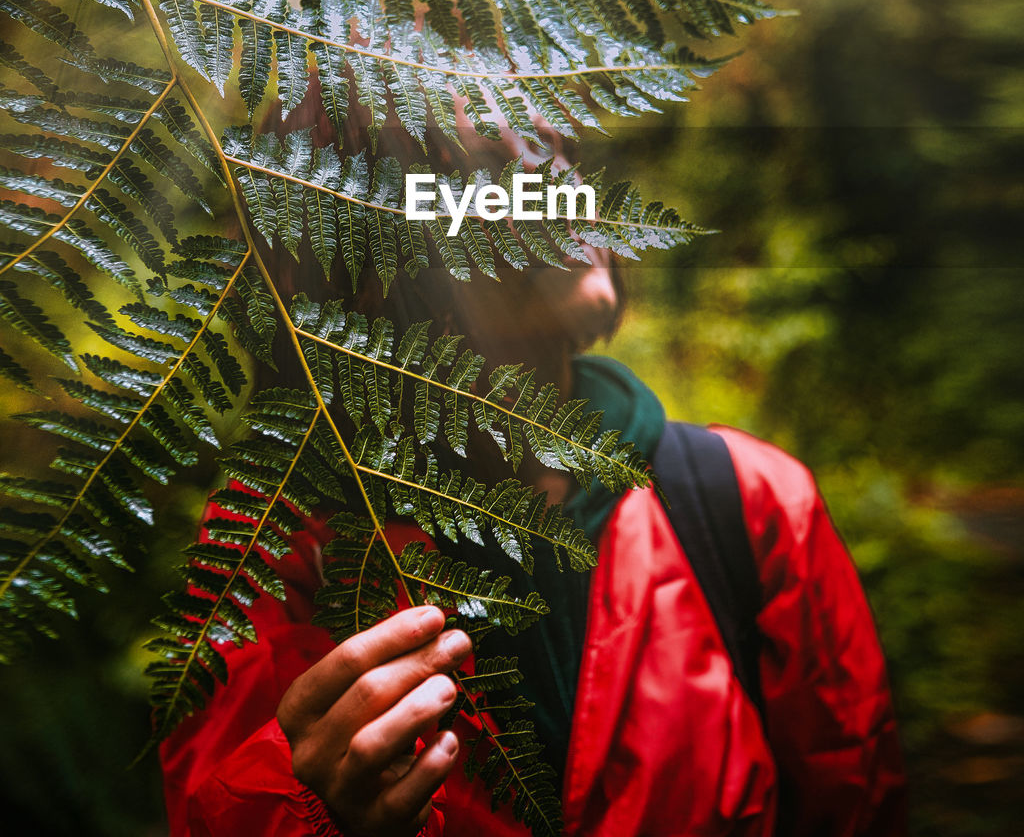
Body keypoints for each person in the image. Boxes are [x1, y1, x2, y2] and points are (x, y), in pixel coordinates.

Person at [160, 90, 907, 837]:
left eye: (562, 152)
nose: (564, 189)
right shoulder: (273, 549)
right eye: (491, 165)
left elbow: (855, 804)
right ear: (369, 252)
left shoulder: (748, 502)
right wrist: (315, 817)